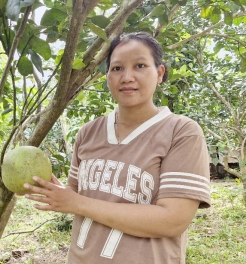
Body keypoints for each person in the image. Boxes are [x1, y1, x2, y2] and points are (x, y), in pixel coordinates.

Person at [23, 32, 211, 264]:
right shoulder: (88, 132)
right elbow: (78, 196)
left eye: (140, 65)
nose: (127, 77)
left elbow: (172, 220)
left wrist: (78, 203)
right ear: (107, 76)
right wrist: (56, 193)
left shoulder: (181, 132)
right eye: (117, 68)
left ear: (160, 73)